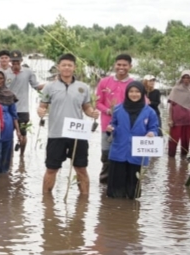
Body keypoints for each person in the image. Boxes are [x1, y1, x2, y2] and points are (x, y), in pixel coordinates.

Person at [37, 53, 99, 196]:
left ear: (74, 68)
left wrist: (92, 113)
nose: (66, 68)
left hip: (77, 134)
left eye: (69, 65)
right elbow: (43, 105)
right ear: (58, 67)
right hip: (56, 133)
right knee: (51, 168)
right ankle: (46, 203)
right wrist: (40, 110)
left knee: (81, 168)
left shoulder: (83, 87)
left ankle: (84, 201)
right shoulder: (49, 87)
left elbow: (86, 107)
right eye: (63, 65)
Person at [106, 81, 160, 199]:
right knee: (115, 190)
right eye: (131, 91)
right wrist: (110, 129)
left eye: (137, 92)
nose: (134, 94)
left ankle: (131, 212)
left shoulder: (150, 112)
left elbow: (154, 128)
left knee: (133, 190)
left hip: (137, 153)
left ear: (142, 93)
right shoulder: (118, 109)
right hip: (119, 150)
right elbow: (113, 124)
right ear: (127, 93)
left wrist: (152, 133)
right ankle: (114, 211)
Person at [95, 54, 134, 184]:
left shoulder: (134, 84)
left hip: (125, 126)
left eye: (125, 65)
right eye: (119, 64)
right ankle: (104, 184)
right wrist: (107, 110)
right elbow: (97, 102)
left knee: (123, 153)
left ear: (130, 67)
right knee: (106, 154)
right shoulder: (104, 82)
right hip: (106, 125)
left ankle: (119, 182)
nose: (121, 67)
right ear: (114, 65)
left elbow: (140, 104)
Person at [8, 50, 44, 153]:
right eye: (13, 62)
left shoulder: (28, 72)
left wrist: (50, 84)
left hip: (23, 109)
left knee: (23, 134)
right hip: (9, 109)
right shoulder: (5, 73)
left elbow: (36, 86)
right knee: (8, 134)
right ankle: (9, 157)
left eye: (17, 62)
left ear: (21, 61)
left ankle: (22, 157)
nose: (15, 64)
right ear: (10, 61)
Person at [0, 69, 23, 174]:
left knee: (6, 154)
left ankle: (4, 179)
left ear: (4, 80)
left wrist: (18, 131)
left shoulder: (9, 95)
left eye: (1, 78)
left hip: (8, 129)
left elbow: (14, 115)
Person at [167, 70, 190, 158]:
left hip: (188, 120)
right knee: (173, 140)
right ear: (181, 78)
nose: (186, 79)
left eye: (188, 77)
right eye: (184, 77)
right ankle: (171, 159)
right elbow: (171, 106)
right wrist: (170, 119)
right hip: (177, 119)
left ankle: (183, 160)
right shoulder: (176, 89)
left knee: (186, 140)